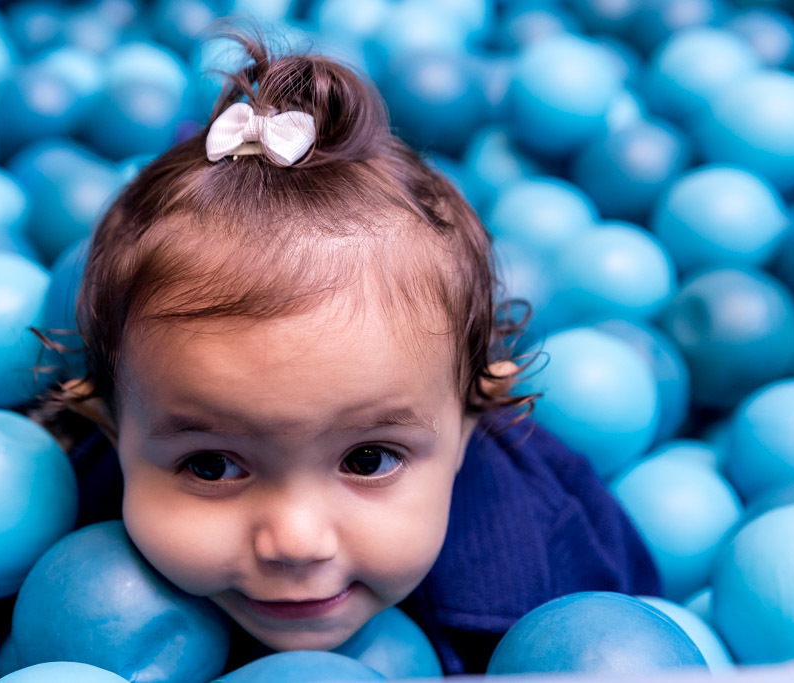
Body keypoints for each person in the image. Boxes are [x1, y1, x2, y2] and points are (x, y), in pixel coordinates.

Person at [36, 33, 661, 676]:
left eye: (368, 459)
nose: (295, 542)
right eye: (213, 467)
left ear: (473, 418)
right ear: (112, 428)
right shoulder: (69, 515)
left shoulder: (547, 576)